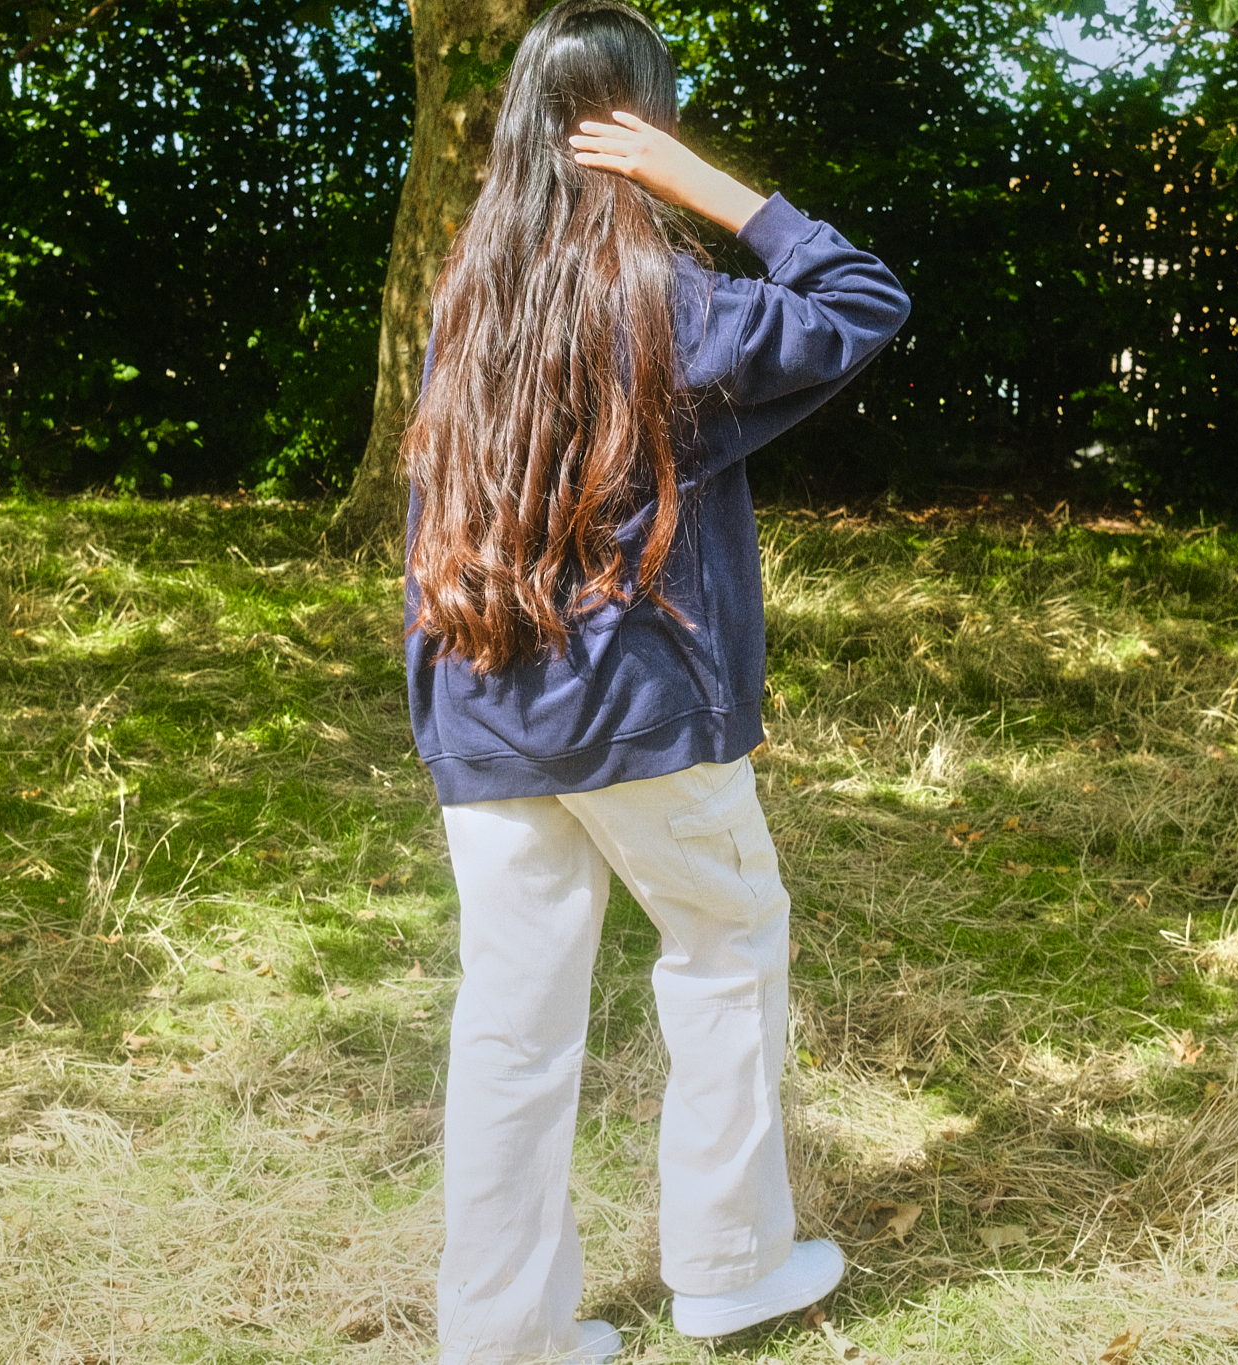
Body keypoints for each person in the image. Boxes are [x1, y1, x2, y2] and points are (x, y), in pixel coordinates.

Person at [400, 3, 910, 1360]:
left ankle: (501, 1335)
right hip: (640, 722)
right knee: (728, 953)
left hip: (486, 708)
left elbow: (425, 522)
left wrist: (438, 718)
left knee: (511, 1033)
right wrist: (710, 190)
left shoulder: (471, 303)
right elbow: (862, 300)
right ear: (638, 124)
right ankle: (733, 1265)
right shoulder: (665, 302)